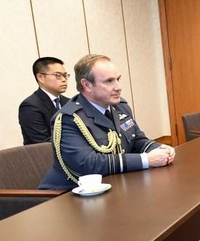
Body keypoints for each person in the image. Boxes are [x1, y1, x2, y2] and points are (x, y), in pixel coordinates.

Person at [40, 54, 175, 190]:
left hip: (115, 186)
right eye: (109, 81)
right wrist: (146, 160)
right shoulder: (69, 119)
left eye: (118, 79)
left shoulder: (120, 107)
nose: (118, 87)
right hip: (69, 194)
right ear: (87, 85)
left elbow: (137, 140)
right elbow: (87, 164)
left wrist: (159, 149)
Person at [18, 56, 71, 145]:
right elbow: (43, 142)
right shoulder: (30, 106)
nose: (64, 80)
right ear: (40, 77)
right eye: (58, 75)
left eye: (65, 75)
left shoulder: (70, 102)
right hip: (45, 153)